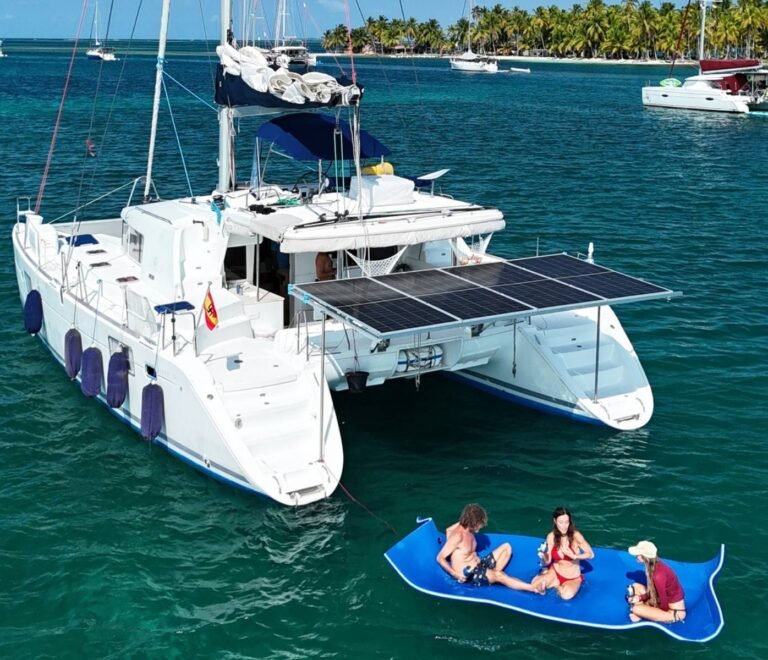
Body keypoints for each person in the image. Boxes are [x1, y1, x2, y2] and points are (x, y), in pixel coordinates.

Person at [436, 503, 542, 593]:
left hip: (480, 565)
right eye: (479, 523)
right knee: (499, 575)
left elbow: (448, 530)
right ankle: (531, 588)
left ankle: (493, 577)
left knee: (507, 547)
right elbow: (440, 558)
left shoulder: (466, 529)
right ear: (473, 522)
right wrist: (455, 574)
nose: (481, 526)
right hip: (471, 577)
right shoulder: (458, 536)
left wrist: (467, 517)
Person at [531, 506, 594, 600]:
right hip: (555, 572)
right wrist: (544, 555)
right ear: (555, 521)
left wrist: (574, 556)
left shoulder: (575, 536)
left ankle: (556, 586)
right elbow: (548, 561)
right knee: (534, 585)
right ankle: (551, 579)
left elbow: (591, 554)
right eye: (561, 522)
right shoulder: (551, 537)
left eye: (566, 522)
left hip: (572, 578)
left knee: (566, 595)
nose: (564, 526)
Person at [626, 540, 686, 623]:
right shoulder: (654, 566)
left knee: (636, 609)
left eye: (638, 555)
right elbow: (654, 592)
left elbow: (664, 605)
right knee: (636, 586)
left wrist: (644, 611)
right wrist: (640, 597)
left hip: (674, 612)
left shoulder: (658, 576)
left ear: (644, 557)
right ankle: (641, 607)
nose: (635, 556)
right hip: (664, 601)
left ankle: (640, 612)